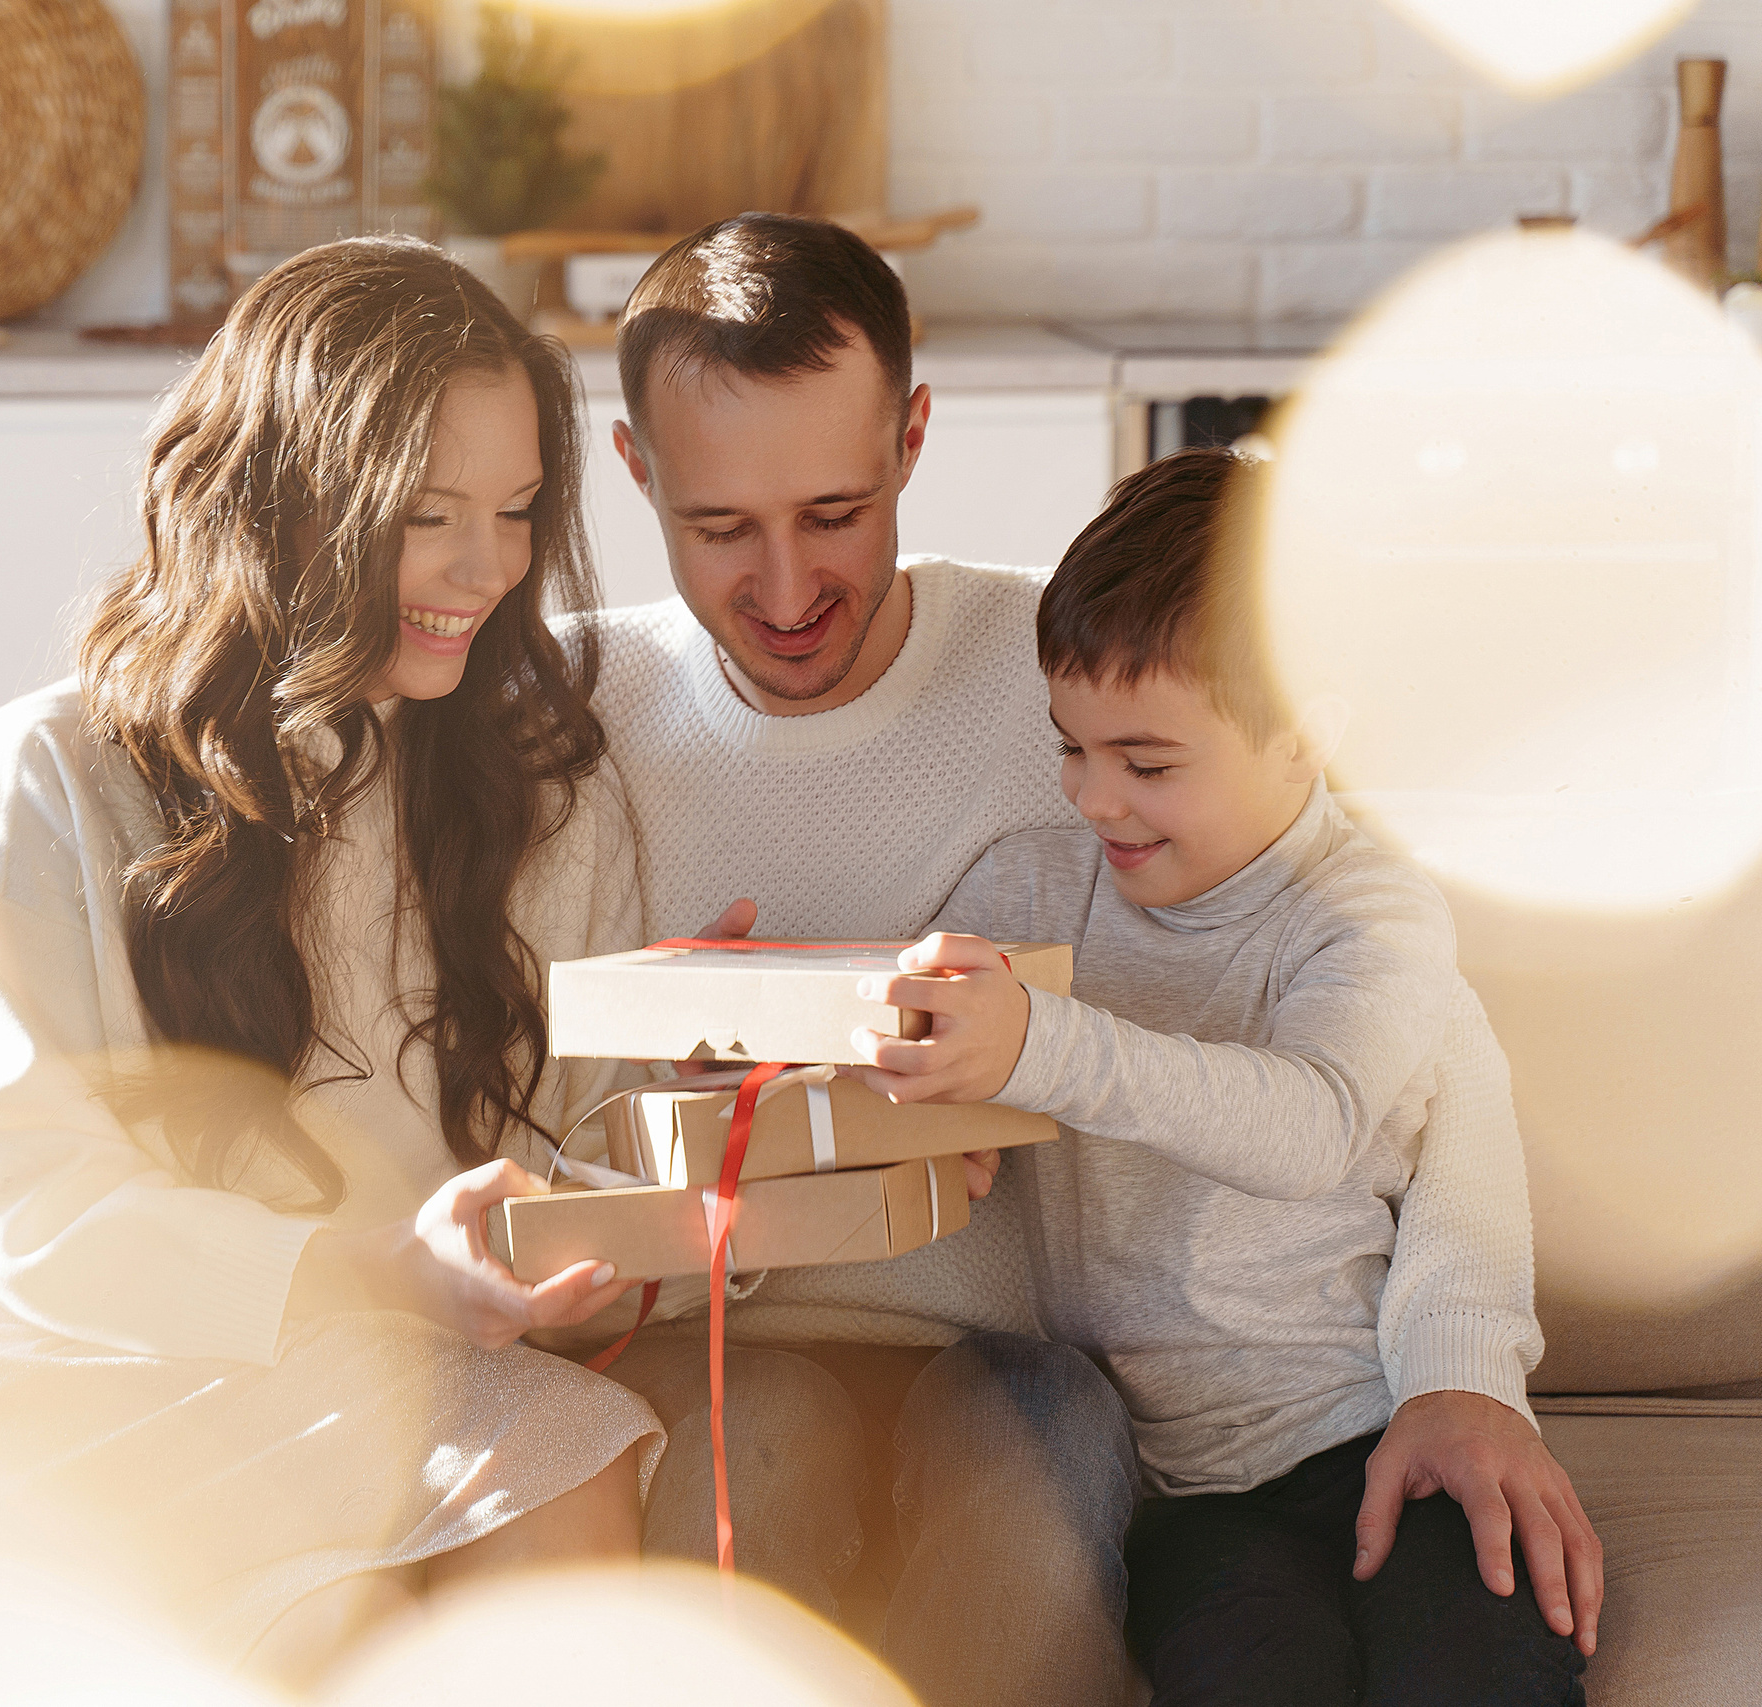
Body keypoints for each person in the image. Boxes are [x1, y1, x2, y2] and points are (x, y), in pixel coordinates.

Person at [578, 213, 1599, 1705]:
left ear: (916, 436)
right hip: (808, 1353)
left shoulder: (1103, 639)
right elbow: (906, 1027)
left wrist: (1464, 1368)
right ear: (636, 473)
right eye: (720, 525)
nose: (788, 583)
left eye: (837, 508)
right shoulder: (568, 699)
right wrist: (727, 1052)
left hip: (1078, 1381)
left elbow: (1416, 1050)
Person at [0, 238, 661, 1683]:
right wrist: (384, 1273)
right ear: (293, 498)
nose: (486, 567)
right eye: (427, 514)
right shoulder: (58, 769)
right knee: (375, 1587)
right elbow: (24, 1195)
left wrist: (691, 1152)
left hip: (367, 1364)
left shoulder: (540, 791)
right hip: (51, 1376)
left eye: (517, 511)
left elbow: (571, 1147)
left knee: (565, 1447)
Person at [849, 446, 1590, 1704]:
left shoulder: (1367, 916)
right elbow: (917, 1062)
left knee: (1483, 1671)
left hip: (1381, 1437)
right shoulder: (1034, 892)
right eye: (1069, 748)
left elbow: (1310, 1123)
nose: (1095, 799)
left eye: (1146, 763)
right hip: (1183, 1496)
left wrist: (1043, 1044)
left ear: (1307, 729)